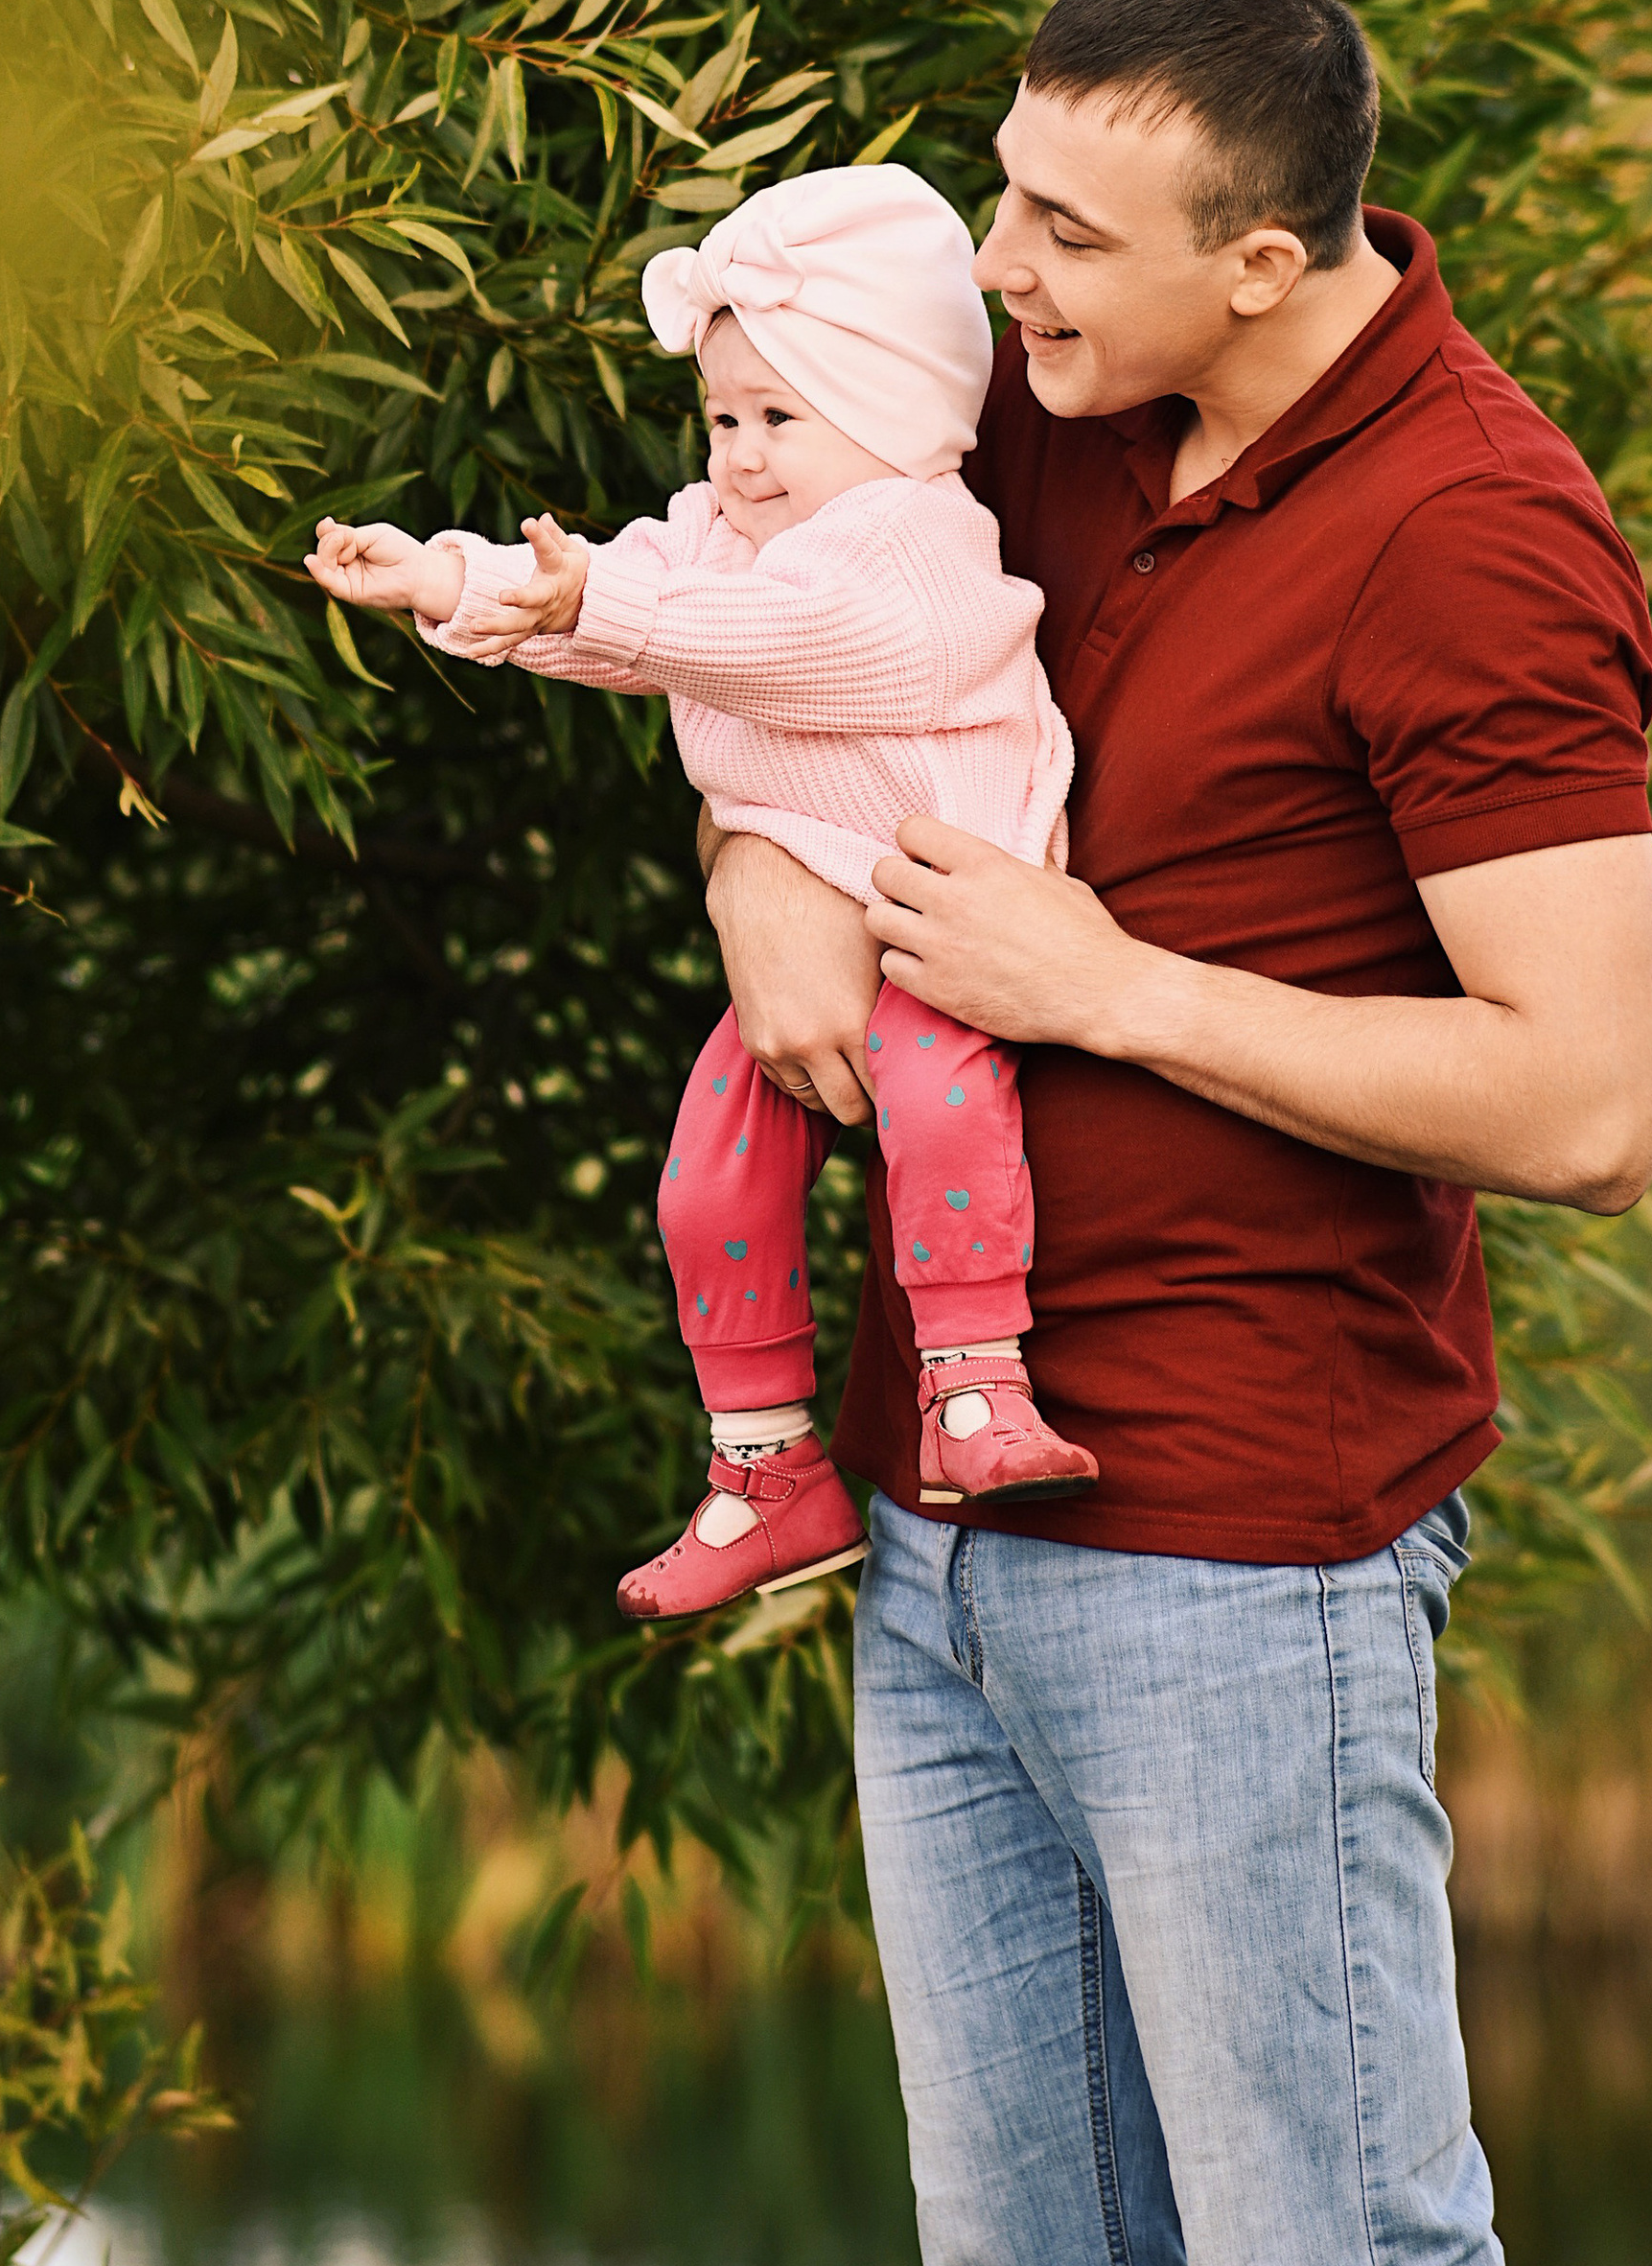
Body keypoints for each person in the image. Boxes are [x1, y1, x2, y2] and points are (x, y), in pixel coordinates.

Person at [705, 0, 1652, 2266]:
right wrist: (755, 896)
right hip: (940, 1528)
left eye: (1060, 227)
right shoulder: (1040, 403)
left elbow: (1584, 1100)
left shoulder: (1473, 535)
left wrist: (1104, 986)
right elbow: (759, 626)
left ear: (1263, 263)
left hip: (1237, 1552)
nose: (996, 262)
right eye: (1004, 192)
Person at [305, 160, 1095, 1624]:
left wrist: (598, 604)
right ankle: (763, 1464)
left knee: (937, 1106)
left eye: (780, 419)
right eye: (723, 417)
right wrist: (449, 581)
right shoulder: (733, 538)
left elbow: (785, 643)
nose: (739, 455)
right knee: (705, 1178)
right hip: (821, 906)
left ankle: (978, 1382)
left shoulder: (915, 547)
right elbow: (628, 589)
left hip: (951, 917)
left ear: (901, 413)